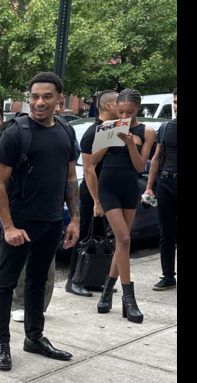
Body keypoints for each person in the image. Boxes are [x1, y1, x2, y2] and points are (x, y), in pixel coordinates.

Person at [0, 72, 81, 371]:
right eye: (34, 97)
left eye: (46, 97)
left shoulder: (66, 131)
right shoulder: (16, 133)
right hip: (21, 222)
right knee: (5, 283)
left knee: (38, 281)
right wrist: (10, 226)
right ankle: (1, 342)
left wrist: (74, 219)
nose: (39, 103)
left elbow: (70, 178)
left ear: (60, 100)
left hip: (52, 221)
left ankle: (34, 337)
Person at [89, 88, 155, 321]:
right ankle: (129, 299)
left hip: (129, 187)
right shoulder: (108, 126)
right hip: (108, 187)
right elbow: (93, 160)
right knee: (124, 239)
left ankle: (107, 292)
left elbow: (140, 167)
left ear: (138, 109)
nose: (124, 116)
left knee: (122, 243)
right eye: (120, 111)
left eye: (130, 112)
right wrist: (110, 139)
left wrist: (129, 144)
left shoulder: (147, 131)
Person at [70, 90, 120, 294]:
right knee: (83, 235)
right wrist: (97, 200)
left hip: (105, 192)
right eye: (119, 103)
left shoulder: (111, 129)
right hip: (92, 192)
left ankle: (92, 277)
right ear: (108, 106)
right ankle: (73, 280)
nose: (123, 106)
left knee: (98, 236)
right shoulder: (94, 132)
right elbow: (89, 170)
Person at [145, 87, 177, 290]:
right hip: (166, 183)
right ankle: (168, 276)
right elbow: (156, 158)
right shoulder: (166, 128)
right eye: (175, 102)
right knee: (166, 232)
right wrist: (149, 187)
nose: (176, 106)